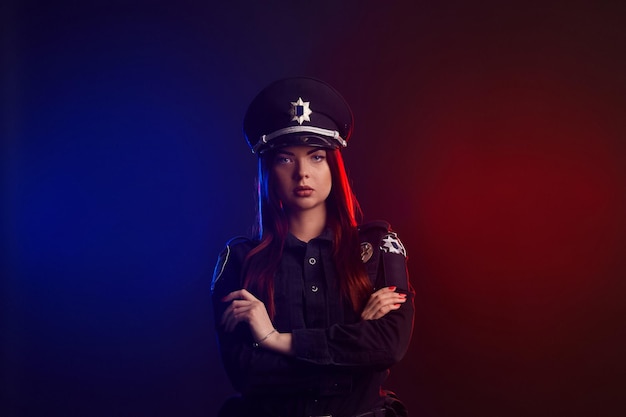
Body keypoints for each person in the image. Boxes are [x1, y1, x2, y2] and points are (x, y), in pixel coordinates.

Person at [211, 77, 414, 417]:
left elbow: (389, 346)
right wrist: (355, 345)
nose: (303, 173)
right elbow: (245, 374)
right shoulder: (239, 261)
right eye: (286, 159)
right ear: (268, 170)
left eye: (316, 157)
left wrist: (274, 339)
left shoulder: (378, 248)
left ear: (333, 166)